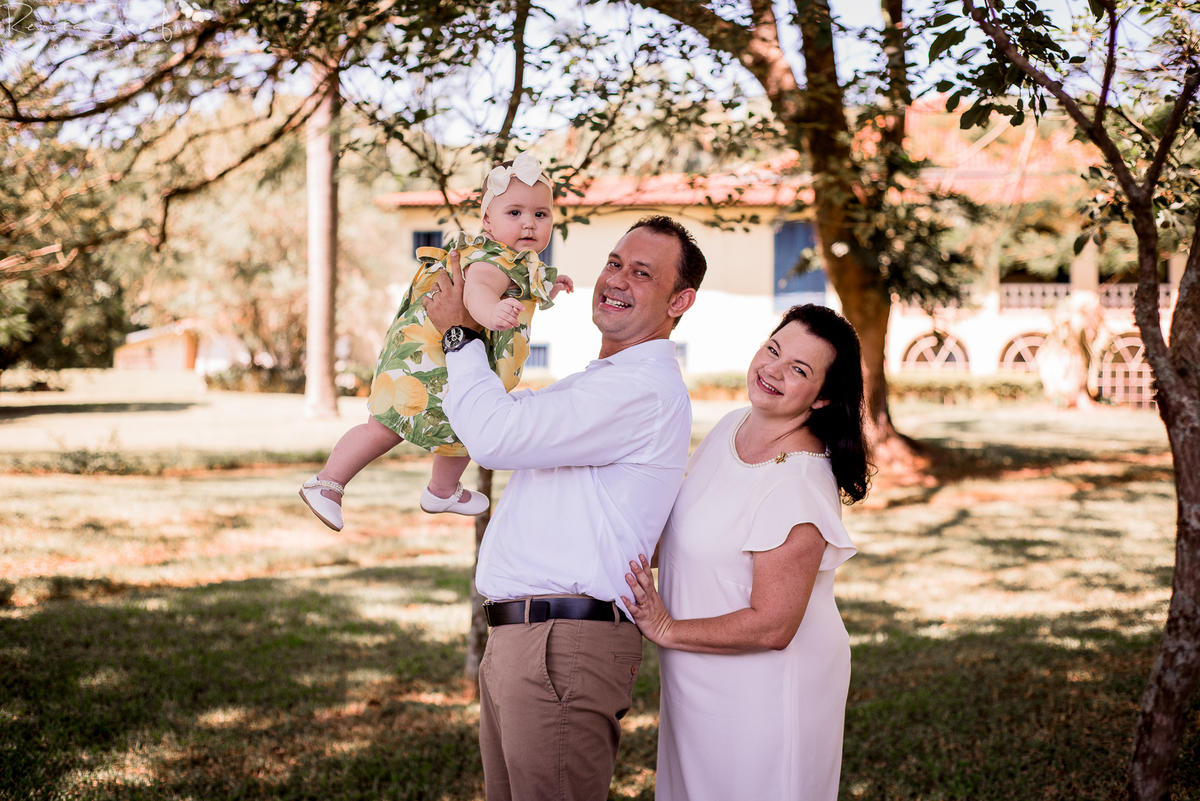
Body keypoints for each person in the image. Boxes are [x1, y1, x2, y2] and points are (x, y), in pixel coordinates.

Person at [423, 215, 707, 801]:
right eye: (614, 262)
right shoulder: (594, 383)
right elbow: (500, 419)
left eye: (642, 273)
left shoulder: (639, 389)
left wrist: (460, 334)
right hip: (528, 641)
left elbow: (496, 436)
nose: (617, 279)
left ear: (680, 300)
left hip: (562, 646)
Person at [621, 304, 872, 801]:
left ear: (823, 398)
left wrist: (667, 628)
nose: (773, 370)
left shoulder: (797, 484)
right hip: (699, 676)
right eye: (773, 349)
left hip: (766, 694)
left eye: (799, 369)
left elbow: (774, 625)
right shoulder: (733, 427)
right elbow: (682, 534)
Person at [299, 153, 573, 531]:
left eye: (541, 215)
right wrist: (492, 314)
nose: (529, 222)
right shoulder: (490, 259)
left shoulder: (521, 263)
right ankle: (327, 483)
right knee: (386, 425)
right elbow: (477, 291)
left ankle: (442, 490)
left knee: (467, 424)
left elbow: (523, 292)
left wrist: (551, 287)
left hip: (454, 358)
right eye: (515, 213)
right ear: (487, 222)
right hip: (425, 360)